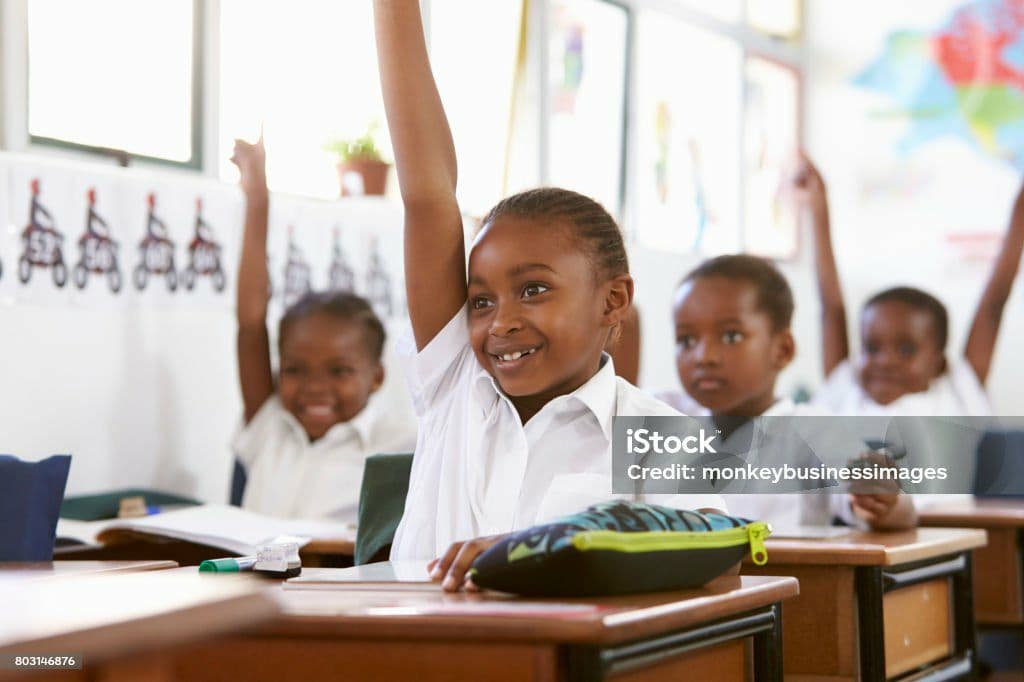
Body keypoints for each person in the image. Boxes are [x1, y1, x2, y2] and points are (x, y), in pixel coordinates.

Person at [374, 0, 726, 590]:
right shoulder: (455, 382)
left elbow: (719, 561)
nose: (500, 323)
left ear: (613, 301)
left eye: (533, 290)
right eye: (481, 301)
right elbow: (428, 195)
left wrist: (545, 550)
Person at [229, 132, 415, 522]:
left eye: (339, 371)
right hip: (254, 582)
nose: (315, 387)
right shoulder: (270, 424)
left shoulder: (397, 449)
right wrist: (256, 198)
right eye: (295, 370)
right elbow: (250, 322)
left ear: (376, 376)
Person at [660, 255, 916, 530]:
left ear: (782, 350)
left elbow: (898, 513)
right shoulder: (661, 415)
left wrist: (885, 501)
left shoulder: (817, 430)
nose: (703, 356)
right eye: (686, 340)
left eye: (730, 336)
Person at [798, 153, 1024, 415]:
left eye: (906, 350)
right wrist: (818, 206)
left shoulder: (956, 394)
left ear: (940, 364)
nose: (884, 361)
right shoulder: (846, 390)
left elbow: (993, 307)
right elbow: (831, 309)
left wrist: (1019, 213)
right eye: (871, 348)